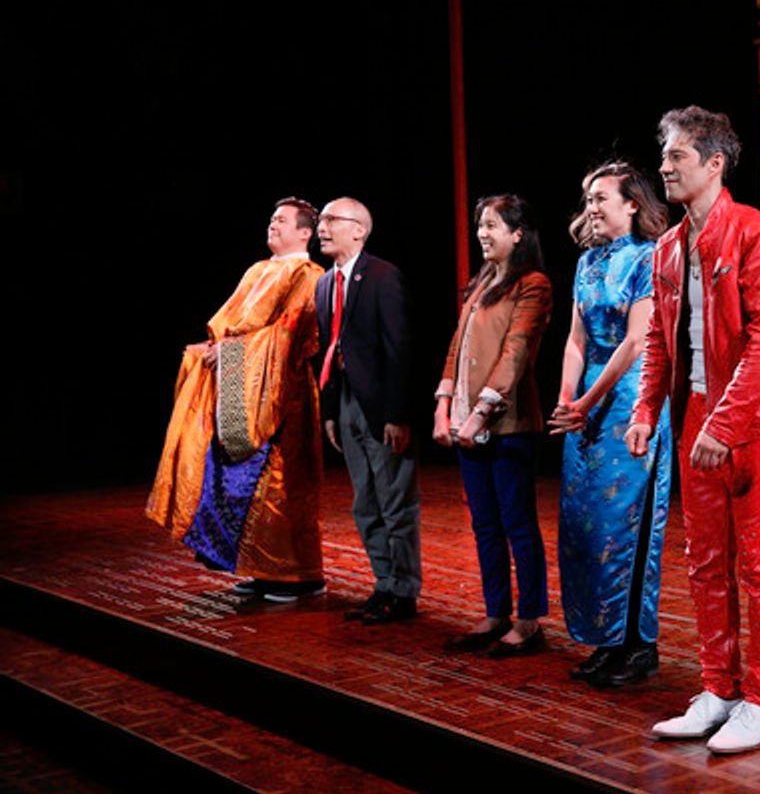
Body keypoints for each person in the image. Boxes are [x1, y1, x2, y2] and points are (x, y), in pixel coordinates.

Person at [626, 106, 760, 754]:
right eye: (665, 156)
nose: (664, 167)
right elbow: (658, 339)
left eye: (677, 156)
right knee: (704, 564)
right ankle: (718, 690)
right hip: (698, 415)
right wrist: (645, 411)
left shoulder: (759, 234)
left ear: (714, 163)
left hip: (756, 421)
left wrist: (725, 425)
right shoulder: (669, 248)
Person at [147, 197, 326, 602]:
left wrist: (230, 351)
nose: (273, 225)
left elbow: (291, 333)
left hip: (280, 393)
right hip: (238, 386)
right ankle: (260, 570)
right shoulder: (258, 270)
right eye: (272, 218)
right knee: (236, 480)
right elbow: (231, 325)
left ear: (305, 232)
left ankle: (297, 576)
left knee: (278, 484)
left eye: (282, 221)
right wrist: (217, 348)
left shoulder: (308, 274)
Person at [547, 162, 671, 687]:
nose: (592, 207)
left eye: (601, 197)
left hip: (628, 401)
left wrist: (589, 400)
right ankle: (606, 639)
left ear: (632, 204)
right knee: (587, 526)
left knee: (628, 525)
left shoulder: (648, 258)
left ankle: (638, 647)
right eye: (588, 199)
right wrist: (566, 398)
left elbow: (637, 340)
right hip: (586, 405)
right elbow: (576, 339)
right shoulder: (587, 261)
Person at [435, 194, 553, 658]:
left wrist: (482, 411)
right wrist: (443, 406)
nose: (482, 233)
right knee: (484, 523)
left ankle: (529, 621)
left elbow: (516, 352)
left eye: (492, 226)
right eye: (480, 225)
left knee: (517, 522)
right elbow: (456, 347)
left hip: (510, 424)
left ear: (517, 234)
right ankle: (494, 612)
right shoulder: (483, 281)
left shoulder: (533, 284)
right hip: (466, 419)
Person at [315, 197, 421, 625]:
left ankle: (405, 591)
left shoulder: (381, 275)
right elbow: (328, 348)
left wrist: (397, 413)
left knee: (395, 501)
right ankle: (384, 584)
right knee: (365, 503)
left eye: (331, 220)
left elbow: (399, 348)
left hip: (381, 406)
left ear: (359, 229)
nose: (322, 228)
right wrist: (329, 411)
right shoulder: (325, 283)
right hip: (345, 402)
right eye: (320, 220)